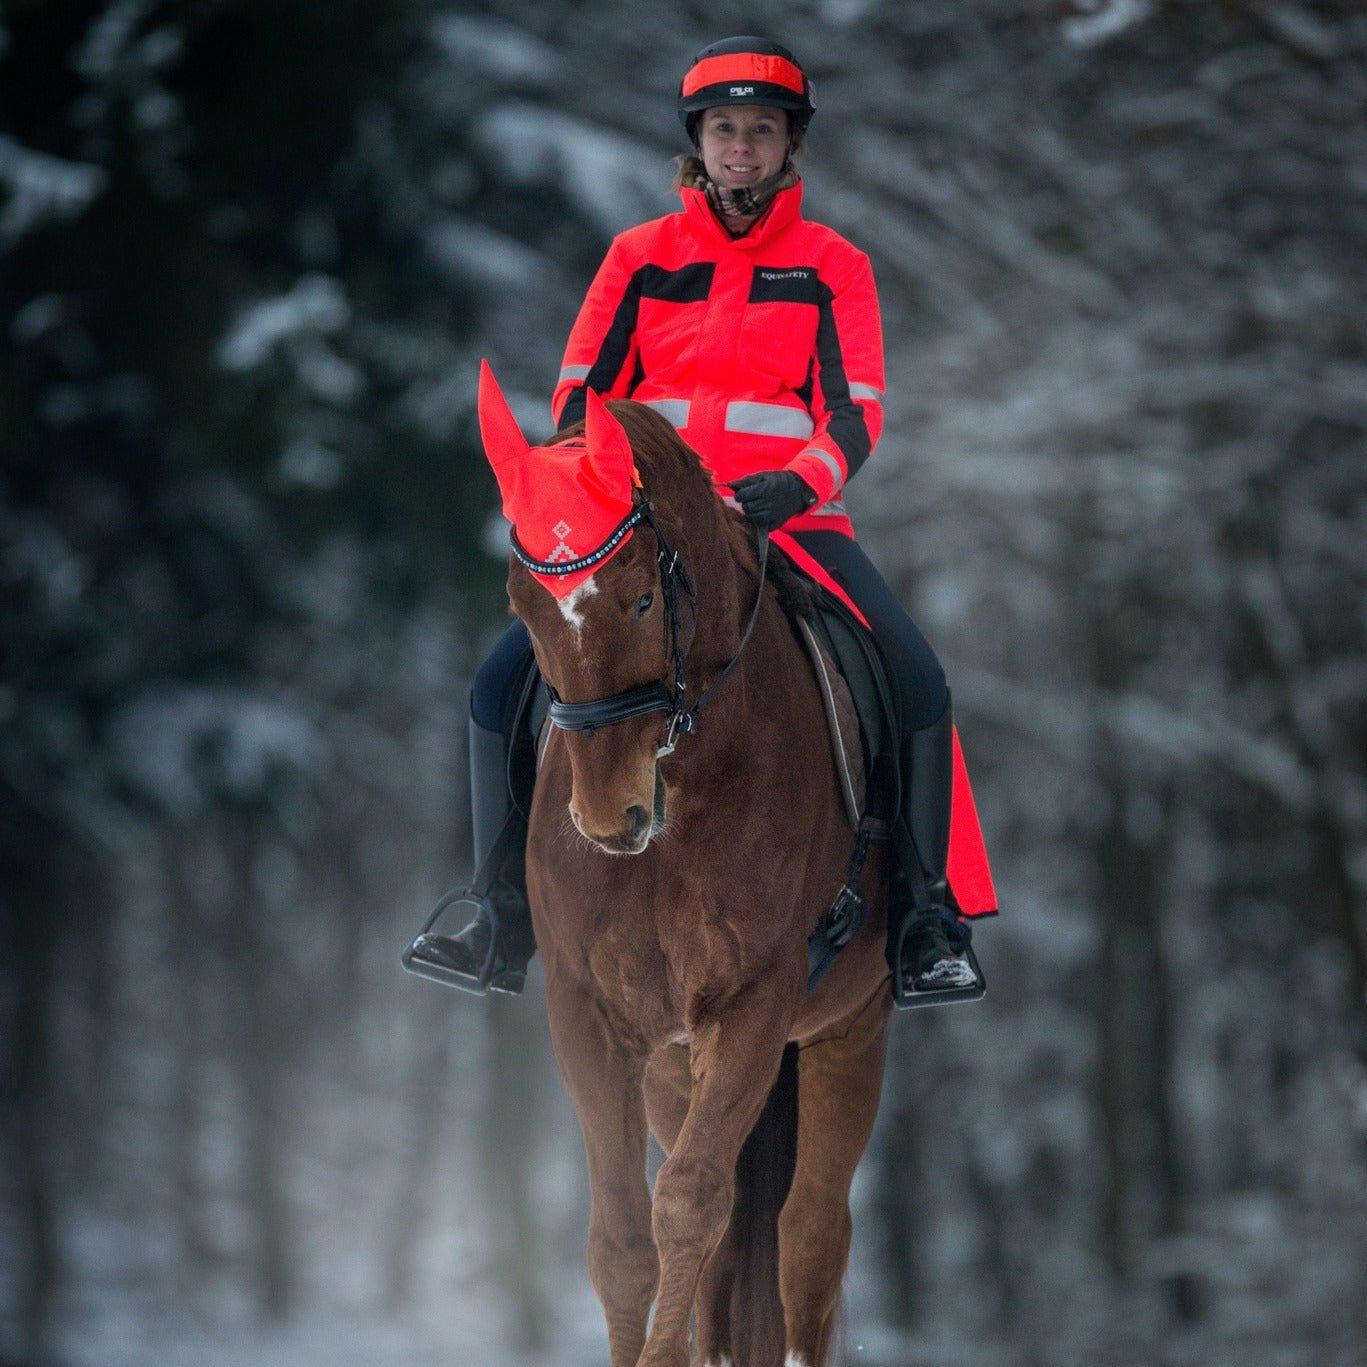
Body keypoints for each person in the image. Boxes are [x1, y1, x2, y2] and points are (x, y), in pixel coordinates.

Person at [435, 36, 980, 1002]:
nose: (741, 147)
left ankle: (924, 916)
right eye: (724, 128)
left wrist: (795, 484)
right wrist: (610, 494)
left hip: (789, 526)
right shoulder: (636, 258)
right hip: (642, 531)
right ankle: (494, 908)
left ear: (788, 145)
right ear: (698, 140)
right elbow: (580, 396)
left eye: (761, 130)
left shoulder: (832, 265)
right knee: (496, 682)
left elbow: (858, 410)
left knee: (914, 672)